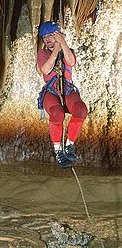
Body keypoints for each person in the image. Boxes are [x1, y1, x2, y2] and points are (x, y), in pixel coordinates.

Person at [37, 21, 88, 168]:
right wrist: (55, 49)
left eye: (51, 35)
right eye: (45, 37)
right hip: (51, 92)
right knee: (57, 113)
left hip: (67, 90)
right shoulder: (43, 53)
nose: (48, 39)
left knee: (81, 110)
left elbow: (70, 62)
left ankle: (69, 145)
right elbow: (46, 70)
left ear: (58, 35)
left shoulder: (68, 50)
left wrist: (63, 44)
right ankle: (58, 151)